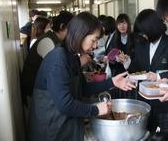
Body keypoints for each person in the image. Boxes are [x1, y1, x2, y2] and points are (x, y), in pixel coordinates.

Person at [28, 12, 135, 141]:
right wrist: (95, 110)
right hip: (52, 129)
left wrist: (112, 82)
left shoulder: (72, 56)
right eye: (93, 40)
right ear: (80, 34)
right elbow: (65, 104)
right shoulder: (58, 59)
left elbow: (82, 88)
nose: (95, 46)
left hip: (66, 125)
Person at [128, 9, 168, 133]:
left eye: (144, 32)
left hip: (165, 103)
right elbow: (137, 68)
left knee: (167, 136)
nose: (143, 36)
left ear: (153, 28)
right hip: (145, 103)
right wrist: (127, 63)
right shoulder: (142, 45)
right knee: (146, 134)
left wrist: (158, 76)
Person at [21, 11, 73, 105]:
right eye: (71, 30)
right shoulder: (48, 41)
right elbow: (57, 69)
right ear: (62, 27)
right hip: (35, 93)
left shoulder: (54, 39)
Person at [106, 13, 135, 98]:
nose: (122, 26)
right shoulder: (114, 38)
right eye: (119, 24)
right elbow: (109, 57)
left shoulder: (134, 38)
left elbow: (138, 57)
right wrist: (116, 59)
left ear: (128, 25)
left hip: (131, 73)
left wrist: (128, 59)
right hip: (118, 74)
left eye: (124, 23)